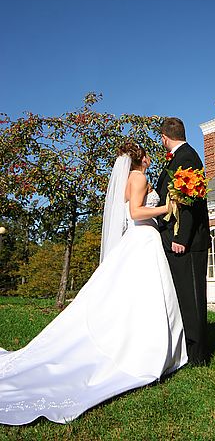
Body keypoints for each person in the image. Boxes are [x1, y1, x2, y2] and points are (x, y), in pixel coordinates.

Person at [0, 141, 187, 426]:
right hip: (143, 239)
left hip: (141, 240)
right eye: (147, 155)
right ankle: (146, 350)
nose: (151, 159)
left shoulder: (129, 179)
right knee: (146, 298)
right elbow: (136, 212)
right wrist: (166, 207)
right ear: (140, 159)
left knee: (136, 299)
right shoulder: (139, 177)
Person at [156, 117, 211, 366]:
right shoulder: (181, 157)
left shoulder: (186, 157)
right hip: (177, 238)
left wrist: (181, 237)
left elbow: (188, 201)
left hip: (188, 241)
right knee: (183, 296)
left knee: (192, 298)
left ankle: (198, 356)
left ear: (165, 137)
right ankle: (188, 350)